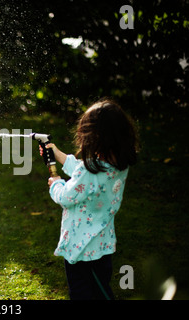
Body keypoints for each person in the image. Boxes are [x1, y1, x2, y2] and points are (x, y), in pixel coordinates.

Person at [42, 98, 138, 300]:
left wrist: (56, 183)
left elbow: (67, 196)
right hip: (102, 245)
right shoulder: (118, 165)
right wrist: (57, 154)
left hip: (81, 249)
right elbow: (84, 172)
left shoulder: (89, 170)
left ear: (93, 137)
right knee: (100, 290)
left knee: (83, 294)